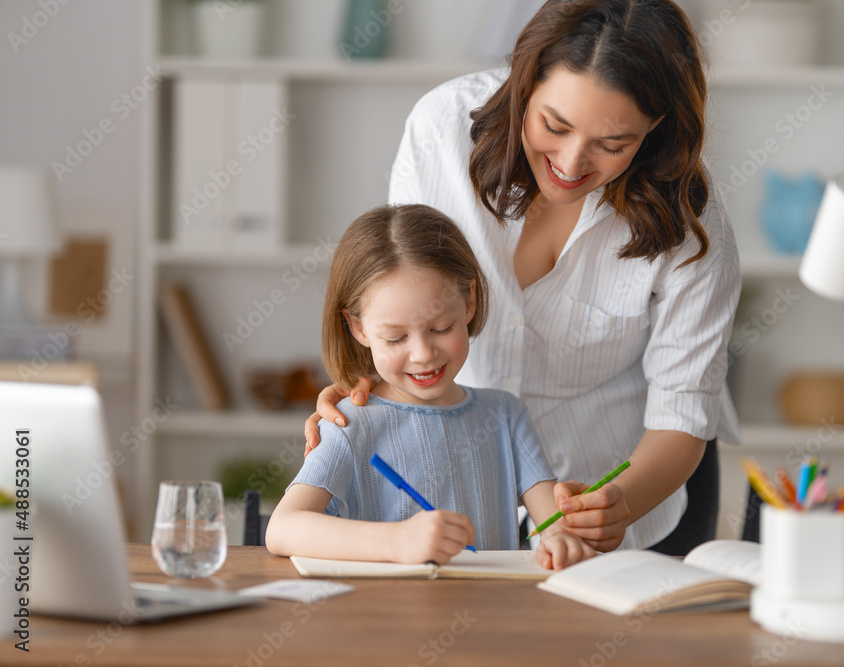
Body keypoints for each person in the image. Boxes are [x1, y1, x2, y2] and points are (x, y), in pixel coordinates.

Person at [305, 0, 741, 555]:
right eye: (553, 125)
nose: (571, 161)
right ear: (525, 82)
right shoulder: (444, 131)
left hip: (626, 489)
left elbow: (682, 414)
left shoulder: (689, 221)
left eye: (613, 145)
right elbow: (398, 291)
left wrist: (619, 504)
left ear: (656, 127)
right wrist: (362, 379)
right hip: (459, 492)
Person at [267, 204, 598, 569]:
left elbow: (553, 527)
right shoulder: (350, 425)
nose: (423, 354)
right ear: (358, 328)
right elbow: (282, 529)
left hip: (494, 619)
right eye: (395, 338)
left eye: (441, 328)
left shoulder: (506, 415)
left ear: (469, 301)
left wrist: (564, 540)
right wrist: (398, 542)